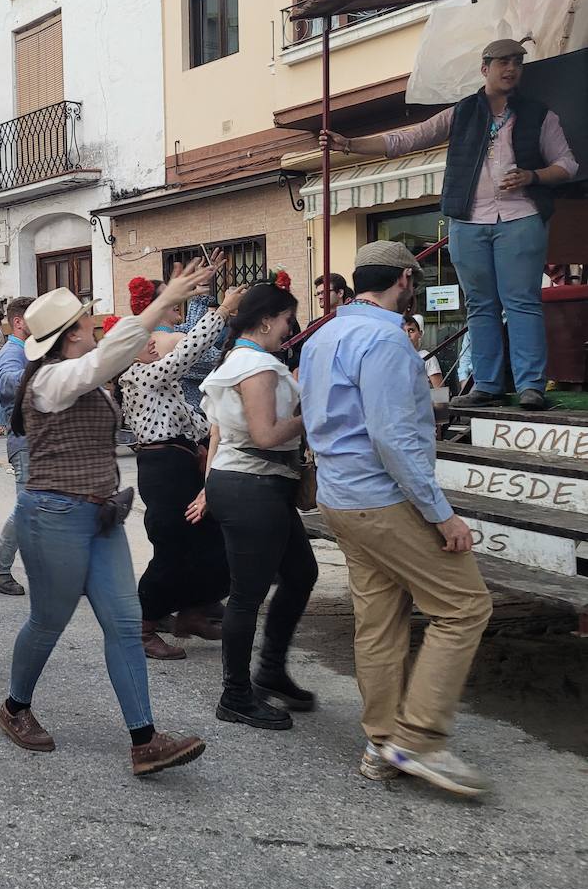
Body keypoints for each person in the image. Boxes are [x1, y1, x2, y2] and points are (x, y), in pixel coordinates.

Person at [0, 259, 216, 777]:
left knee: (122, 622)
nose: (97, 325)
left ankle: (145, 739)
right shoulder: (50, 380)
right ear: (70, 335)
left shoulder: (83, 371)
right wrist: (163, 304)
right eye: (88, 322)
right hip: (52, 514)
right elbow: (104, 363)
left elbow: (114, 361)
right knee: (48, 622)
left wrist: (179, 313)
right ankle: (14, 708)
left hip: (99, 515)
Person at [300, 240, 492, 796]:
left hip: (342, 494)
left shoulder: (326, 332)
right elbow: (392, 436)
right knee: (465, 607)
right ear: (406, 280)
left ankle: (383, 743)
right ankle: (419, 739)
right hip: (379, 497)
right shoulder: (386, 337)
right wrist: (441, 514)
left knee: (379, 619)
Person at [324, 39, 578, 412]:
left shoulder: (540, 114)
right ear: (484, 68)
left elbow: (567, 165)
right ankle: (488, 385)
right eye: (502, 62)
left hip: (521, 217)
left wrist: (531, 176)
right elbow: (407, 139)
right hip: (467, 219)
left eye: (517, 63)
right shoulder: (461, 113)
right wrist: (349, 144)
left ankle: (530, 387)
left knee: (521, 303)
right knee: (480, 305)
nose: (510, 69)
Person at [197, 282, 318, 731]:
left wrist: (210, 487)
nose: (290, 329)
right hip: (254, 484)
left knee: (302, 573)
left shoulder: (238, 361)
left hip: (246, 481)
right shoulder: (257, 365)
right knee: (247, 595)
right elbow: (266, 434)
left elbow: (217, 436)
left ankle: (269, 671)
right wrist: (317, 410)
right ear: (267, 319)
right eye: (288, 319)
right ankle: (236, 694)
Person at [122, 277, 244, 659]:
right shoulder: (138, 375)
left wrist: (222, 429)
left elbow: (190, 420)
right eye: (143, 341)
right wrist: (222, 312)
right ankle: (144, 625)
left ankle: (192, 611)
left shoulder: (159, 378)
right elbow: (185, 355)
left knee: (208, 540)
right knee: (172, 548)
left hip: (181, 460)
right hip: (162, 467)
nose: (152, 343)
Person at [0, 296, 32, 596]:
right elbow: (7, 382)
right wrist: (43, 370)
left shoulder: (30, 349)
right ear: (18, 322)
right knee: (26, 509)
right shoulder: (12, 352)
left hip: (39, 441)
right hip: (25, 441)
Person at [404, 314, 445, 388]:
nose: (407, 335)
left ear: (420, 333)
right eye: (403, 331)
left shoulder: (428, 358)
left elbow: (440, 392)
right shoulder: (393, 358)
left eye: (411, 331)